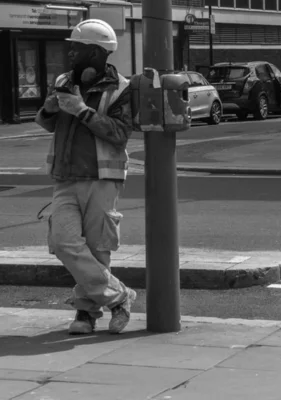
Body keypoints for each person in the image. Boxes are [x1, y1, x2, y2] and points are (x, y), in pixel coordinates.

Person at [35, 19, 136, 335]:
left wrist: (82, 110)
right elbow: (49, 123)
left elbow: (120, 134)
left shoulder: (122, 88)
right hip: (65, 177)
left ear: (95, 52)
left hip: (102, 177)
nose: (70, 53)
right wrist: (50, 109)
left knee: (97, 248)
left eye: (76, 47)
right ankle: (120, 298)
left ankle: (86, 314)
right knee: (64, 243)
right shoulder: (65, 80)